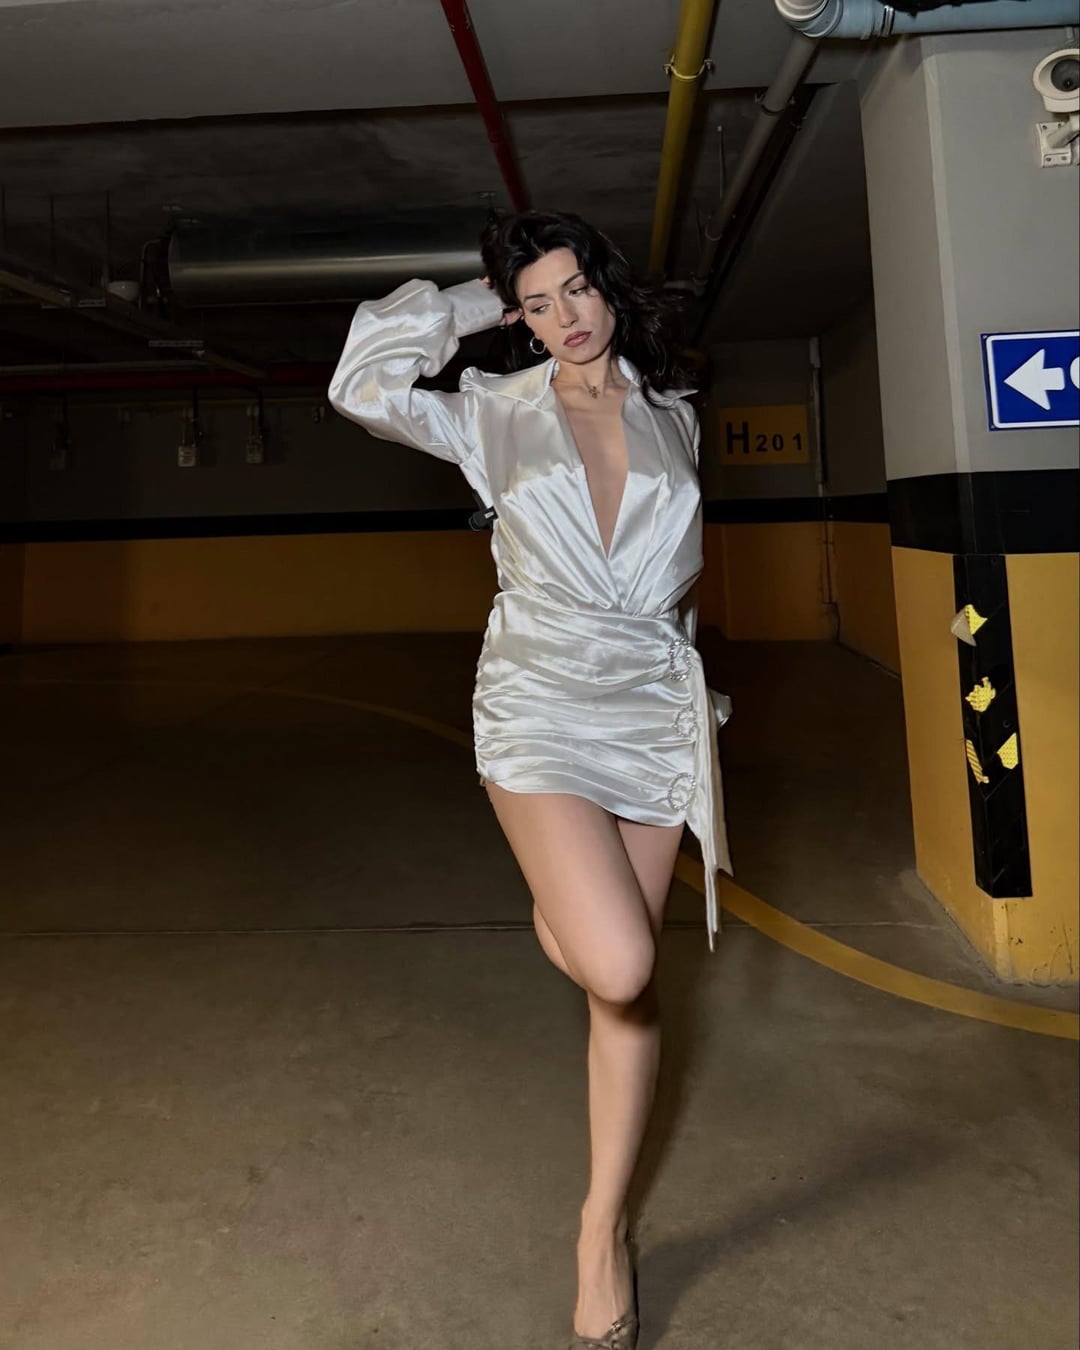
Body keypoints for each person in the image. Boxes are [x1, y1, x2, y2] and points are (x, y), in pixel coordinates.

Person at [328, 209, 732, 1350]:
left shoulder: (675, 412)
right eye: (539, 303)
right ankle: (566, 894)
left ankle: (602, 1229)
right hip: (540, 701)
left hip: (650, 708)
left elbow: (678, 578)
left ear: (609, 286)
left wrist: (693, 711)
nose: (566, 318)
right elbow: (361, 384)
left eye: (577, 290)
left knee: (624, 995)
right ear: (520, 315)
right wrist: (474, 306)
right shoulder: (490, 414)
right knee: (620, 957)